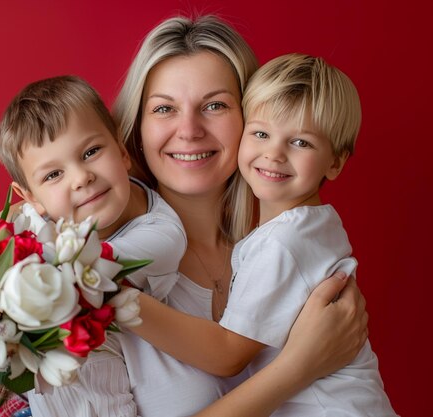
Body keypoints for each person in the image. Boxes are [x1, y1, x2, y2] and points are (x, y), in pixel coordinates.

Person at [3, 15, 369, 417]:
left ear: (255, 116)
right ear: (135, 130)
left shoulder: (283, 246)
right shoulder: (95, 267)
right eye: (164, 109)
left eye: (214, 105)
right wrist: (297, 368)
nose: (189, 130)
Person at [130, 52, 398, 415]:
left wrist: (120, 301)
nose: (274, 153)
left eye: (300, 142)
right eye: (261, 134)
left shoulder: (282, 242)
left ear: (335, 162)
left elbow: (227, 355)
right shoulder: (310, 227)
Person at [0, 74, 187, 416]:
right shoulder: (48, 217)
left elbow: (72, 269)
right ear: (30, 196)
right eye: (54, 175)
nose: (82, 177)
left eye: (91, 152)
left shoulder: (160, 237)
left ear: (122, 151)